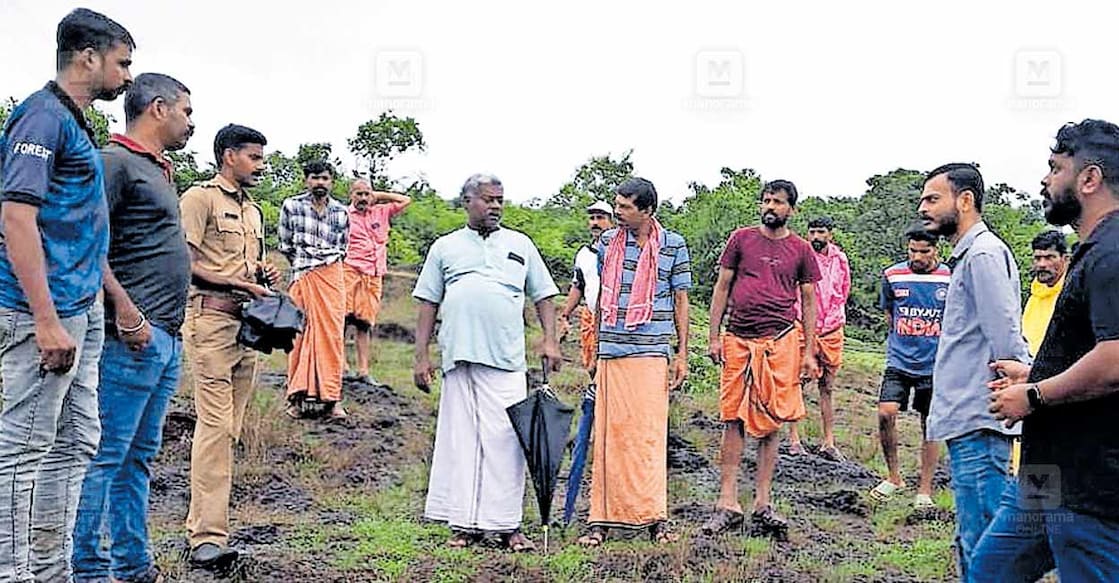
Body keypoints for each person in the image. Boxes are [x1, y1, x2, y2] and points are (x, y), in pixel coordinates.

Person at [0, 8, 133, 581]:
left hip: (80, 310)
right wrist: (46, 319)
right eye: (122, 63)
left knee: (76, 440)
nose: (127, 76)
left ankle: (52, 571)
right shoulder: (40, 118)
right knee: (24, 447)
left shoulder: (75, 123)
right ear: (88, 57)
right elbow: (16, 218)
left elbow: (78, 226)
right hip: (43, 313)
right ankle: (14, 572)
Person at [974, 119, 1119, 582]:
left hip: (1089, 484)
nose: (1044, 179)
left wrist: (1033, 397)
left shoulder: (1112, 254)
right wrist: (1033, 375)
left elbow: (1115, 360)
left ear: (1089, 179)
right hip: (1047, 479)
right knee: (988, 574)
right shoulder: (1093, 249)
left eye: (1055, 168)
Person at [71, 73, 193, 583]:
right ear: (159, 109)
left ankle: (133, 564)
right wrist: (125, 309)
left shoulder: (158, 172)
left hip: (164, 337)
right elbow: (86, 243)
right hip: (132, 337)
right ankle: (87, 568)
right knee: (105, 455)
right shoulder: (113, 164)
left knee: (137, 458)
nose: (192, 122)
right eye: (187, 111)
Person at [413, 173, 561, 552]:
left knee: (507, 441)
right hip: (459, 357)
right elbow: (428, 302)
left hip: (507, 357)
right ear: (467, 202)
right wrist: (421, 355)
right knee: (462, 441)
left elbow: (543, 294)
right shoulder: (445, 247)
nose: (495, 206)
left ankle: (508, 526)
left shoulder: (519, 244)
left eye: (500, 200)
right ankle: (463, 526)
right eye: (487, 199)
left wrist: (549, 340)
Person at [917, 162, 1031, 579]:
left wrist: (1018, 393)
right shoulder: (966, 256)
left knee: (984, 546)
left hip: (981, 418)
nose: (923, 208)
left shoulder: (983, 254)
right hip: (968, 418)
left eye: (932, 198)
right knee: (974, 542)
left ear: (964, 201)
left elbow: (1006, 342)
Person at [180, 124, 280, 570]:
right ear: (228, 156)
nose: (261, 165)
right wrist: (233, 282)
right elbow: (185, 261)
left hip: (246, 328)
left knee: (229, 431)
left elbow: (242, 266)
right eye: (254, 157)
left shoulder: (254, 211)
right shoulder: (198, 199)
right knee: (216, 429)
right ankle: (207, 538)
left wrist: (262, 275)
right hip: (210, 323)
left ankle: (201, 525)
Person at [701, 180, 821, 539]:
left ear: (791, 209)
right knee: (732, 416)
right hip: (738, 337)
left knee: (773, 419)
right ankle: (727, 502)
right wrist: (713, 336)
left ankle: (763, 502)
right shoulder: (741, 239)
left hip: (782, 340)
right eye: (767, 200)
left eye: (779, 202)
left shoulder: (800, 249)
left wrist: (809, 352)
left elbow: (809, 300)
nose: (771, 206)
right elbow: (722, 287)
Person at [577, 179, 691, 547]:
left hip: (653, 349)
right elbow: (599, 297)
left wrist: (683, 354)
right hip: (612, 349)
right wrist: (593, 346)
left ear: (647, 211)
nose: (618, 213)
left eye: (625, 208)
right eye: (617, 206)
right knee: (609, 437)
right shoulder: (606, 244)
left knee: (648, 438)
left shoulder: (674, 245)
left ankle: (654, 517)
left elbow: (680, 301)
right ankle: (600, 520)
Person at [869, 225, 949, 510]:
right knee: (885, 413)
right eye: (912, 251)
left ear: (936, 249)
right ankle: (894, 477)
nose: (917, 257)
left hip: (935, 364)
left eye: (924, 252)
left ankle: (924, 489)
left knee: (930, 423)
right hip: (899, 360)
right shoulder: (893, 275)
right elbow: (889, 313)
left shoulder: (949, 277)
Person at [278, 161, 350, 419]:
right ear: (306, 180)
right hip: (303, 275)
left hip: (332, 275)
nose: (320, 183)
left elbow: (343, 247)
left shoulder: (342, 212)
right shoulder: (291, 206)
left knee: (332, 335)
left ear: (332, 181)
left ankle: (332, 399)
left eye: (325, 178)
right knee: (299, 334)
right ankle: (296, 398)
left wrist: (323, 267)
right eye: (315, 178)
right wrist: (304, 269)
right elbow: (285, 245)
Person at [789, 216, 851, 460]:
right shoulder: (800, 256)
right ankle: (794, 438)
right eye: (812, 232)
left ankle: (828, 441)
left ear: (830, 235)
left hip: (832, 328)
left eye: (821, 232)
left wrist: (832, 317)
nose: (816, 237)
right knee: (798, 381)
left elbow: (844, 290)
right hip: (802, 326)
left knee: (827, 385)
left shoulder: (840, 259)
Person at [343, 179, 411, 386]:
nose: (363, 198)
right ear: (351, 195)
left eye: (366, 194)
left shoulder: (381, 211)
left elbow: (406, 200)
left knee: (364, 324)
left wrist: (378, 195)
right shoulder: (343, 215)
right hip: (350, 270)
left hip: (374, 275)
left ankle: (363, 370)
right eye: (359, 194)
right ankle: (342, 366)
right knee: (343, 321)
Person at [558, 200, 614, 376]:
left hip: (613, 317)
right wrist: (565, 315)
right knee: (590, 362)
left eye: (601, 218)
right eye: (592, 218)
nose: (595, 222)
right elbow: (578, 286)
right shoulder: (584, 254)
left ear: (611, 221)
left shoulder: (621, 249)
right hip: (590, 313)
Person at [1022, 230, 1069, 357]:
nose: (1042, 264)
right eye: (1037, 258)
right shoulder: (1035, 295)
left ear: (1065, 259)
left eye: (1049, 257)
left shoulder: (1073, 295)